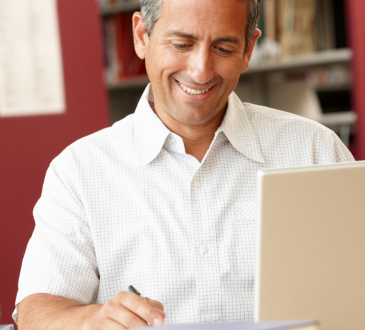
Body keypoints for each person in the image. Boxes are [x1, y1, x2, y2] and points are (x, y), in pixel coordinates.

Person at [15, 0, 354, 329]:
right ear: (141, 36)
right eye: (181, 44)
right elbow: (35, 314)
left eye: (223, 48)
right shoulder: (79, 171)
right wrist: (91, 321)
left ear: (248, 49)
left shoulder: (315, 151)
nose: (200, 70)